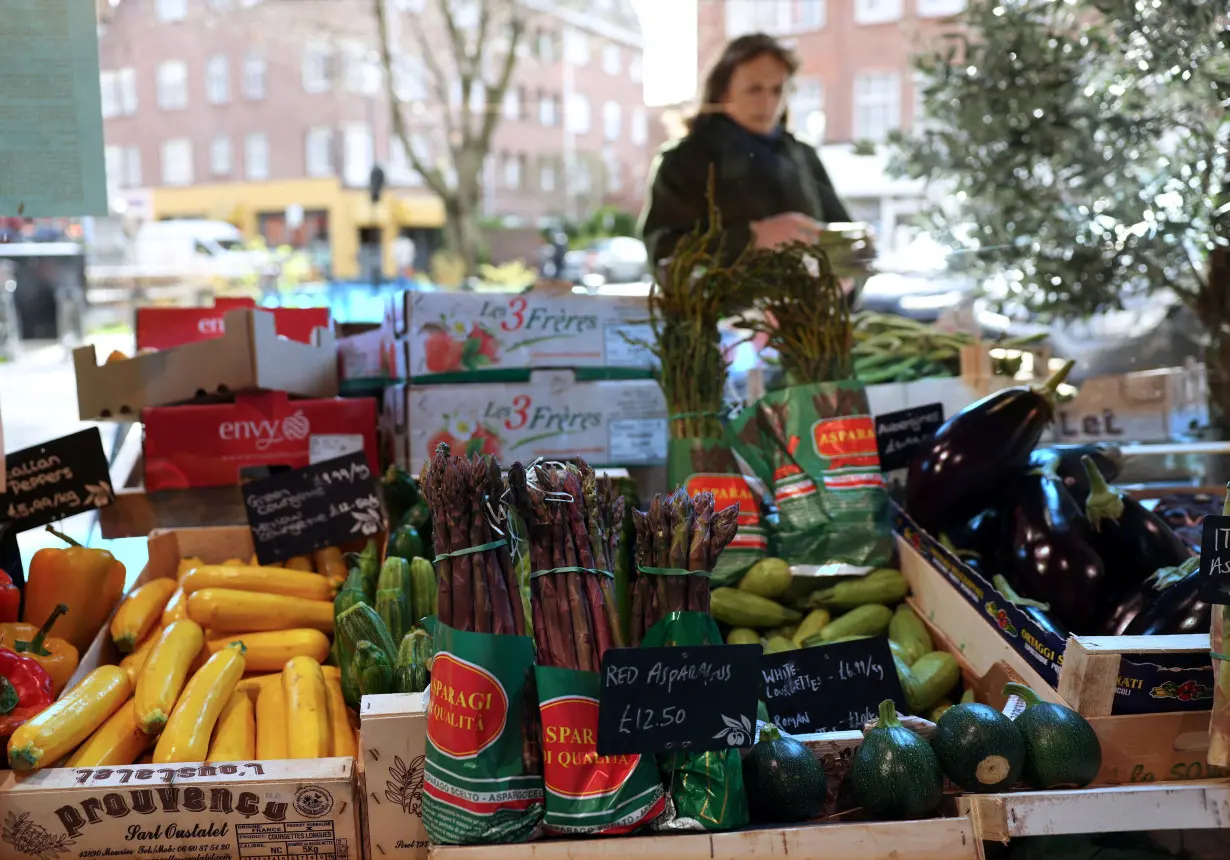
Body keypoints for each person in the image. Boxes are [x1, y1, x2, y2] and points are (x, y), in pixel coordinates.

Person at [639, 33, 852, 269]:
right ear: (724, 91)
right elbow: (663, 252)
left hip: (806, 305)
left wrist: (846, 278)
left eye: (777, 90)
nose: (767, 103)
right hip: (722, 305)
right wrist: (751, 238)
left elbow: (849, 241)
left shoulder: (801, 155)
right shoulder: (684, 161)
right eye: (754, 89)